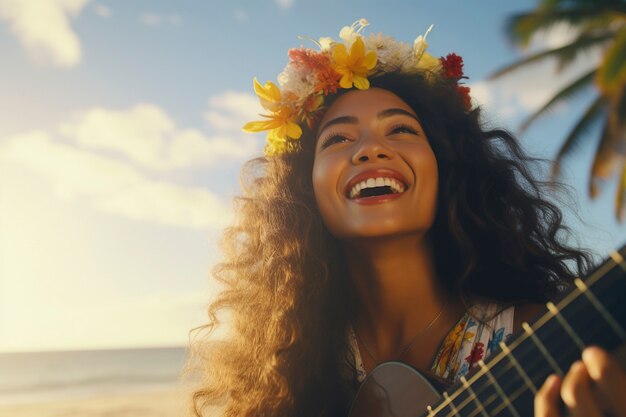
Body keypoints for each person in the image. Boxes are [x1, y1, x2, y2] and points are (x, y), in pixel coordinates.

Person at [188, 19, 626, 417]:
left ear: (446, 170)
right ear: (305, 192)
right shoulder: (289, 364)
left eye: (400, 129)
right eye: (338, 138)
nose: (369, 149)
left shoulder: (538, 338)